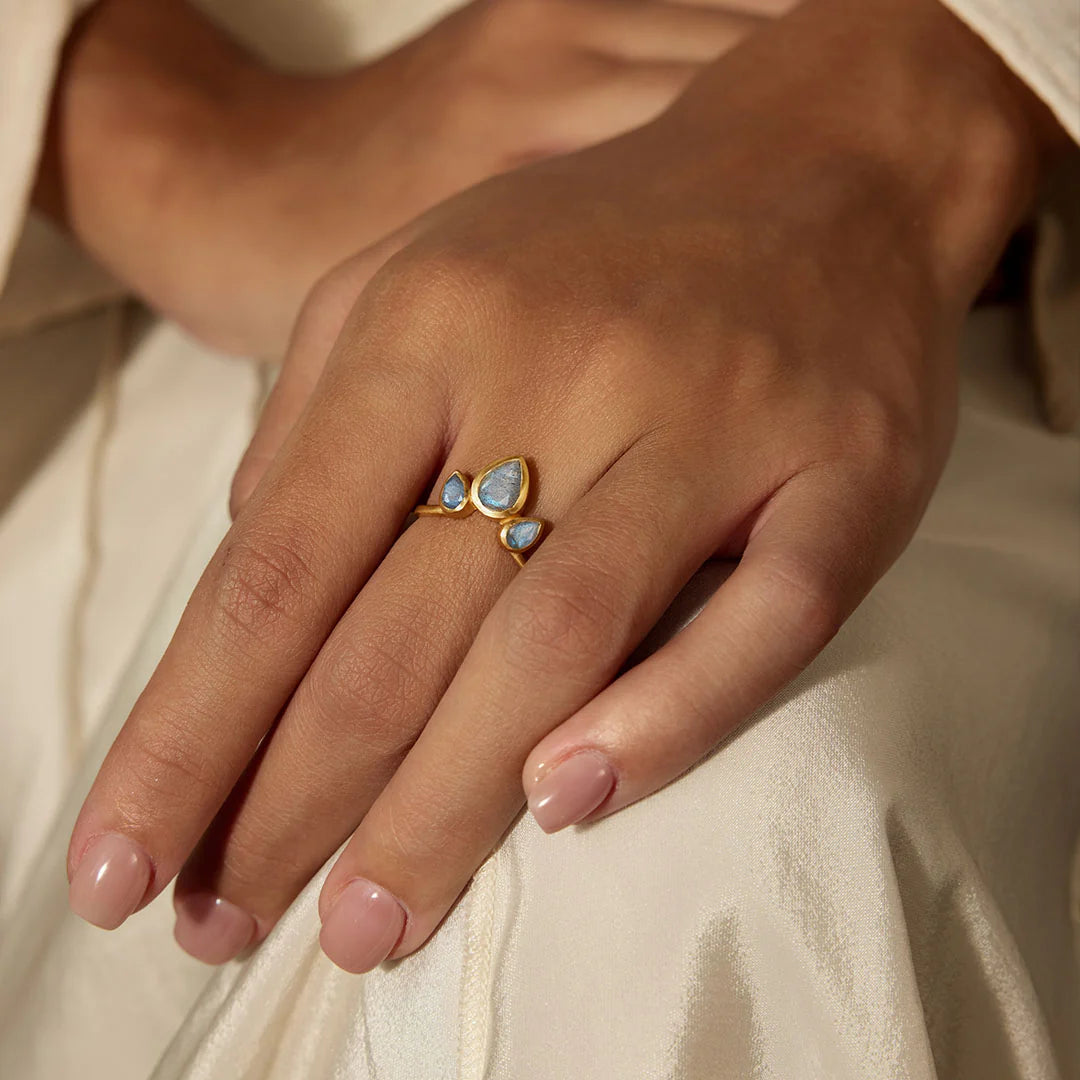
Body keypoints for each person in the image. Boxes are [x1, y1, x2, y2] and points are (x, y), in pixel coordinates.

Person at [0, 0, 1076, 1077]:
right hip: (106, 294)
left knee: (732, 845)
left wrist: (929, 89)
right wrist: (137, 120)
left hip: (973, 288)